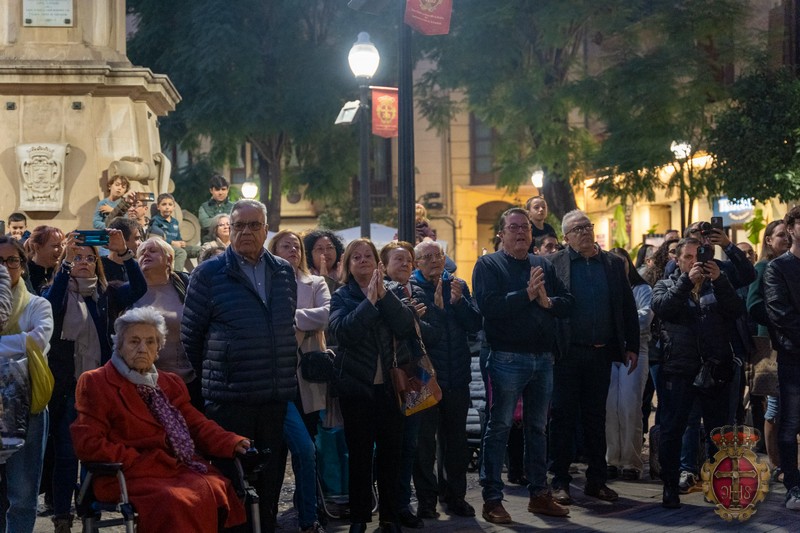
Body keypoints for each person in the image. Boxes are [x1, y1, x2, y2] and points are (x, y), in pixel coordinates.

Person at [70, 306, 250, 533]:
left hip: (175, 468)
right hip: (128, 473)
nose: (142, 348)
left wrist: (230, 441)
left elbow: (196, 424)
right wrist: (135, 459)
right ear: (120, 345)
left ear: (158, 349)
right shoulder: (96, 382)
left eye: (150, 342)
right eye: (134, 341)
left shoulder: (170, 383)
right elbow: (88, 442)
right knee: (175, 501)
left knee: (216, 488)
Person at [182, 199, 297, 532]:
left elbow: (285, 324)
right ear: (229, 229)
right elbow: (191, 336)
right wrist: (222, 372)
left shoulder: (283, 271)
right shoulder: (208, 273)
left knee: (270, 481)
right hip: (230, 398)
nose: (246, 231)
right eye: (239, 225)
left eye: (254, 225)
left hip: (274, 395)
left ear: (266, 229)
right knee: (232, 484)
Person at [472, 207, 573, 524]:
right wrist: (526, 294)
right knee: (499, 427)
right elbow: (488, 307)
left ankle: (539, 494)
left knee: (538, 429)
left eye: (525, 227)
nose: (520, 232)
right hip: (506, 357)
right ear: (501, 234)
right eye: (513, 227)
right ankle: (492, 499)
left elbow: (568, 302)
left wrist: (547, 302)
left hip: (542, 358)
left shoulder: (543, 264)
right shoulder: (488, 265)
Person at [43, 229, 147, 532]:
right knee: (66, 454)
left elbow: (139, 287)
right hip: (66, 388)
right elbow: (51, 304)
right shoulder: (54, 290)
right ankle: (62, 516)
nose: (83, 262)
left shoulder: (106, 295)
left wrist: (124, 253)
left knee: (94, 454)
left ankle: (89, 512)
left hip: (98, 389)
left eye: (89, 258)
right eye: (78, 257)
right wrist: (65, 263)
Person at [548, 210, 639, 505]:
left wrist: (632, 345)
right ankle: (559, 481)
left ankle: (597, 481)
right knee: (562, 418)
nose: (585, 231)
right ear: (566, 238)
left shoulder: (612, 263)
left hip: (601, 352)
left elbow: (627, 306)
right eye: (577, 229)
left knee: (596, 418)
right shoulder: (554, 263)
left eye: (587, 226)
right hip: (566, 354)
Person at [328, 238, 418, 533]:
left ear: (378, 263)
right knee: (360, 456)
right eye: (356, 257)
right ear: (348, 265)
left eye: (368, 255)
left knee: (392, 455)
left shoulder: (393, 291)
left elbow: (406, 326)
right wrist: (368, 303)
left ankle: (390, 517)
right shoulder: (342, 296)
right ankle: (359, 518)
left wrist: (383, 297)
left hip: (392, 387)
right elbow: (342, 333)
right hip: (357, 388)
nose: (363, 260)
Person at [652, 237, 744, 508]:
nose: (696, 262)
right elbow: (664, 308)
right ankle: (670, 486)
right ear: (677, 260)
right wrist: (686, 282)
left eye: (700, 256)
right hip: (679, 369)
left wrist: (721, 280)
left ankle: (717, 485)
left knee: (718, 431)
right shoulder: (666, 285)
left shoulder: (718, 285)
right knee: (673, 430)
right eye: (689, 257)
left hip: (714, 369)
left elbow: (736, 310)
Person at [411, 240, 482, 520]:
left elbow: (475, 324)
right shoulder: (411, 289)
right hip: (425, 378)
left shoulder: (458, 285)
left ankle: (456, 497)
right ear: (417, 263)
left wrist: (460, 302)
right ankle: (427, 500)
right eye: (427, 257)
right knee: (424, 444)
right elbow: (423, 333)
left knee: (456, 442)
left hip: (457, 376)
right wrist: (438, 308)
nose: (434, 260)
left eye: (438, 255)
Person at [267, 230, 329, 533]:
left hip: (307, 380)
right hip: (274, 380)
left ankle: (308, 512)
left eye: (296, 246)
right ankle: (272, 515)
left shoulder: (315, 282)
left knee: (307, 449)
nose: (293, 249)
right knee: (277, 453)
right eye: (285, 245)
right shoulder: (265, 283)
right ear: (273, 251)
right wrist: (305, 321)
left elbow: (326, 315)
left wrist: (289, 319)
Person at [378, 241, 439, 529]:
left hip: (415, 377)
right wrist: (411, 317)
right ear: (384, 265)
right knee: (392, 446)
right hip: (389, 378)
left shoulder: (418, 292)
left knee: (410, 444)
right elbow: (396, 328)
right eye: (398, 259)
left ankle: (403, 504)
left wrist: (416, 320)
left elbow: (432, 334)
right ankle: (390, 507)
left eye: (408, 260)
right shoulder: (383, 291)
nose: (405, 264)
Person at [0, 236, 54, 532]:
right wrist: (19, 342)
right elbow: (26, 342)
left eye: (11, 260)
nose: (5, 267)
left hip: (27, 407)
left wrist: (20, 342)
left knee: (22, 494)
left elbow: (37, 341)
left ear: (22, 265)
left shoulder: (38, 305)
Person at [133, 237, 199, 409]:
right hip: (147, 381)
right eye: (142, 252)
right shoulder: (129, 291)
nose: (146, 254)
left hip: (188, 379)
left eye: (152, 251)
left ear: (169, 259)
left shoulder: (185, 285)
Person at [747, 219, 790, 477]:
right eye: (781, 235)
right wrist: (778, 321)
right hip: (773, 345)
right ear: (768, 240)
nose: (786, 238)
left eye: (788, 234)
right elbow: (753, 304)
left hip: (792, 343)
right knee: (774, 406)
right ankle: (776, 463)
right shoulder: (763, 267)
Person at [606, 248, 653, 481]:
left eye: (621, 262)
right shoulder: (605, 287)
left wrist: (617, 323)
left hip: (636, 349)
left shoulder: (642, 289)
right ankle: (611, 459)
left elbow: (644, 318)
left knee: (629, 406)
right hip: (609, 350)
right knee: (609, 407)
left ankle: (631, 461)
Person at [764, 206, 800, 509]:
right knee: (790, 423)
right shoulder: (778, 268)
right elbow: (780, 314)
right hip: (794, 356)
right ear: (791, 228)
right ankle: (794, 486)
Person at [149, 193, 187, 273]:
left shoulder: (175, 221)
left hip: (177, 247)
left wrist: (181, 242)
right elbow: (157, 238)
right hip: (164, 247)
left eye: (170, 204)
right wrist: (172, 242)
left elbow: (178, 237)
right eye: (164, 204)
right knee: (181, 253)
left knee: (201, 249)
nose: (167, 207)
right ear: (158, 206)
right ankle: (177, 276)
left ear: (174, 207)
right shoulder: (155, 220)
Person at [24, 226, 65, 295]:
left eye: (63, 245)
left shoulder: (61, 272)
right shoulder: (25, 274)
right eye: (56, 246)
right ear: (37, 248)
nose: (61, 250)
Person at [101, 217, 143, 283]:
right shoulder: (98, 266)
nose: (141, 243)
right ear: (121, 239)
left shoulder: (139, 268)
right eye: (136, 238)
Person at [197, 175, 233, 241]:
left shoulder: (235, 207)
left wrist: (215, 222)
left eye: (223, 189)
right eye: (217, 189)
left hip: (231, 242)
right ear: (211, 190)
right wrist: (228, 221)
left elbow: (237, 223)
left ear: (227, 190)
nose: (220, 193)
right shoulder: (204, 207)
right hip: (209, 242)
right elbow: (205, 224)